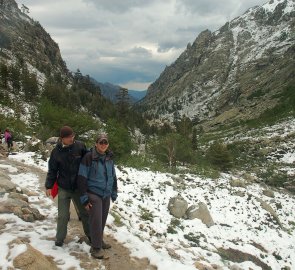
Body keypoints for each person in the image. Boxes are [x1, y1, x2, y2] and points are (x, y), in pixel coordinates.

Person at [45, 126, 90, 247]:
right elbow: (52, 170)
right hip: (63, 187)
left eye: (72, 136)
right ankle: (59, 239)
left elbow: (89, 161)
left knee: (85, 213)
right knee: (63, 216)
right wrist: (49, 185)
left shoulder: (80, 146)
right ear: (62, 138)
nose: (71, 138)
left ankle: (91, 237)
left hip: (78, 188)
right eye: (68, 137)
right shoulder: (56, 152)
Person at [77, 133, 118, 259]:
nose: (103, 145)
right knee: (96, 220)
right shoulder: (89, 157)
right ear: (96, 144)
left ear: (108, 144)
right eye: (101, 142)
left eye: (105, 142)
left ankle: (98, 240)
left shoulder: (109, 158)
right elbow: (82, 178)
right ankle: (96, 248)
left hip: (105, 194)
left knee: (102, 219)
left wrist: (114, 191)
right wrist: (84, 198)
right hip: (93, 193)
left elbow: (113, 176)